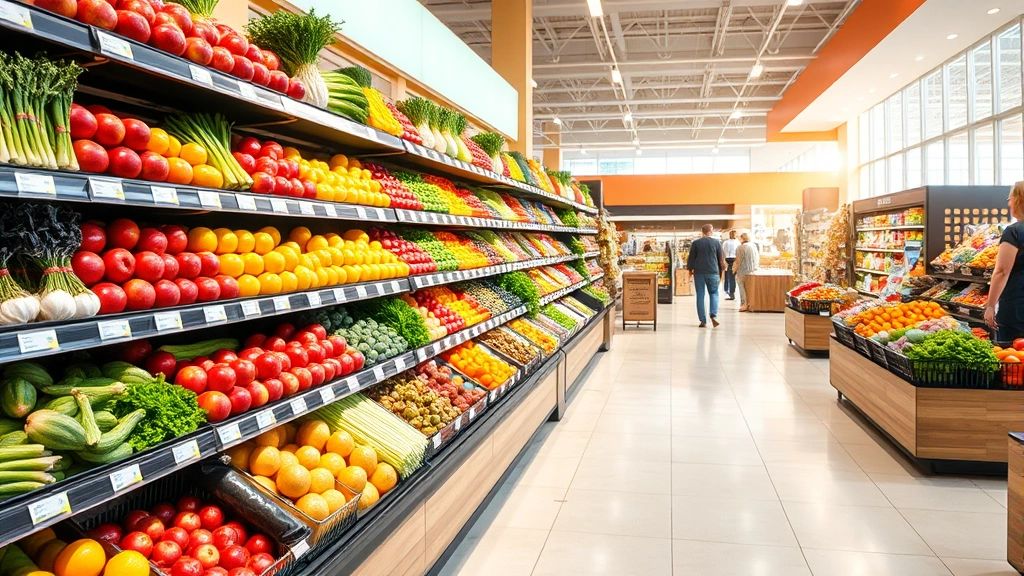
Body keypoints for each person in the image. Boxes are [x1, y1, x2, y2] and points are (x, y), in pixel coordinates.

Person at [985, 182, 1024, 340]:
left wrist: (990, 306)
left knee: (1012, 355)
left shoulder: (1014, 231)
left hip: (1017, 306)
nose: (1008, 203)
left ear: (1017, 200)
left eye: (1009, 199)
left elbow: (1002, 271)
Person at [687, 224, 726, 327]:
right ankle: (713, 315)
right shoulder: (717, 243)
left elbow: (691, 258)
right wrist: (721, 272)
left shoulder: (696, 243)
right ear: (711, 231)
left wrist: (690, 270)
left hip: (699, 272)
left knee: (700, 295)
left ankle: (703, 321)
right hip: (713, 272)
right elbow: (720, 259)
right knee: (714, 294)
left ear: (702, 232)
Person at [734, 232, 760, 312]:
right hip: (753, 270)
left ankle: (744, 304)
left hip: (743, 270)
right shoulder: (753, 246)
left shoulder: (740, 247)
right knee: (750, 288)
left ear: (742, 238)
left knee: (741, 286)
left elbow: (738, 261)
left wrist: (734, 270)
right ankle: (751, 304)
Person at [722, 230, 740, 300]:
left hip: (727, 259)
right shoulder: (737, 242)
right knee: (734, 276)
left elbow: (723, 251)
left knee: (728, 276)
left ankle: (728, 291)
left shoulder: (726, 242)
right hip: (734, 259)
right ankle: (732, 291)